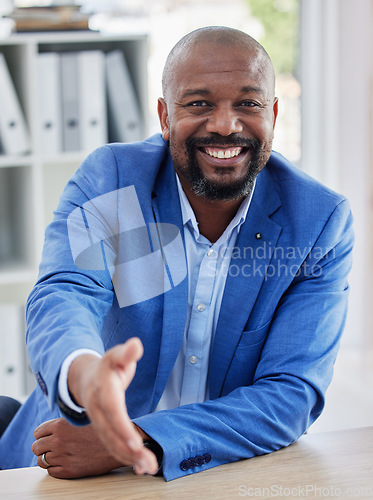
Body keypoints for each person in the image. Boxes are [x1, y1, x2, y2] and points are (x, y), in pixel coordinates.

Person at [0, 26, 353, 481]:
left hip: (216, 475)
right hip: (66, 467)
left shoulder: (318, 221)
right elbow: (65, 293)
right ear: (165, 116)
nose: (226, 124)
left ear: (274, 114)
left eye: (248, 103)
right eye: (199, 103)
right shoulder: (115, 178)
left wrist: (137, 440)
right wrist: (86, 376)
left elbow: (290, 394)